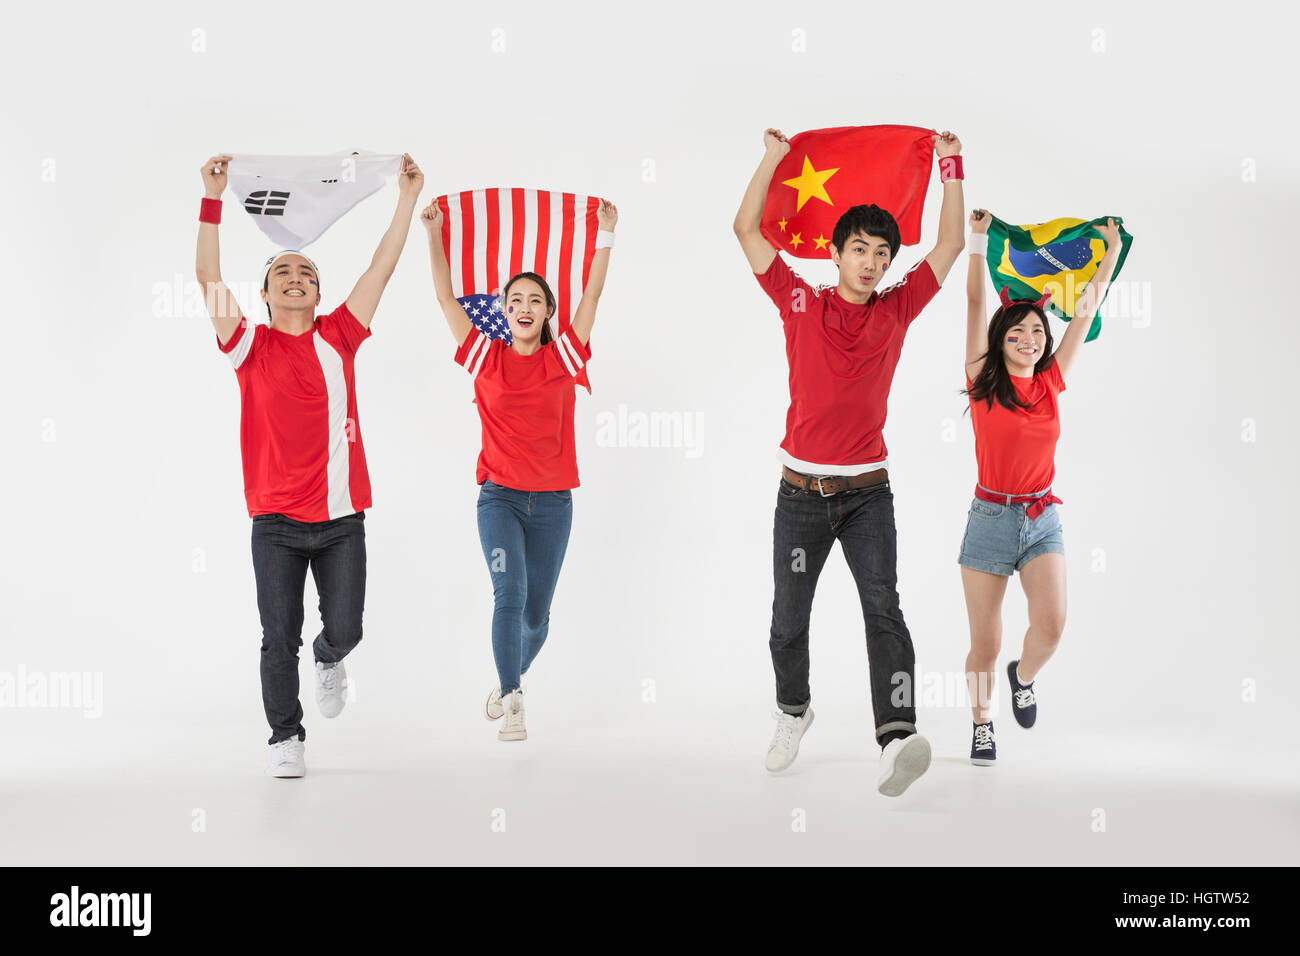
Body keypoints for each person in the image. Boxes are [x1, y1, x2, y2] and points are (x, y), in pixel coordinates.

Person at [733, 127, 966, 795]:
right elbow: (745, 229)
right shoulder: (800, 299)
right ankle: (793, 709)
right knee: (788, 617)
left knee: (884, 609)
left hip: (868, 495)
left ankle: (896, 738)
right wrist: (772, 158)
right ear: (835, 253)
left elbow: (948, 246)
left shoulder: (898, 308)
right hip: (801, 495)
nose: (871, 261)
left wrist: (951, 168)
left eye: (882, 253)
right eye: (859, 249)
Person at [195, 152, 424, 776]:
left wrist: (406, 198)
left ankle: (331, 657)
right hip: (273, 521)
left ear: (319, 292)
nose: (295, 277)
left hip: (341, 517)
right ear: (265, 292)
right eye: (282, 271)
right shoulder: (249, 344)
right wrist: (213, 197)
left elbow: (383, 265)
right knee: (277, 637)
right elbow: (207, 274)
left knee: (345, 629)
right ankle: (285, 737)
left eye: (306, 271)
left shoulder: (340, 334)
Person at [421, 196, 617, 742]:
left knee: (536, 619)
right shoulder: (486, 357)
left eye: (535, 300)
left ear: (548, 312)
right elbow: (442, 296)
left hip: (553, 505)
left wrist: (606, 236)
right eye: (515, 300)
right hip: (500, 500)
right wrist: (433, 234)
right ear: (504, 310)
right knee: (507, 595)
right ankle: (513, 700)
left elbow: (594, 293)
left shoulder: (565, 359)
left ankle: (510, 674)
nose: (524, 306)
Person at [960, 210, 1122, 766]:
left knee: (1050, 628)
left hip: (1041, 518)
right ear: (1001, 339)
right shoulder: (982, 381)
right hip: (989, 519)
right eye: (1018, 330)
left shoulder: (1052, 382)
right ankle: (983, 723)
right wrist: (977, 242)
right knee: (985, 643)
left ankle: (1022, 679)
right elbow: (977, 304)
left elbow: (1086, 310)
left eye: (1036, 330)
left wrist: (1109, 253)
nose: (1029, 338)